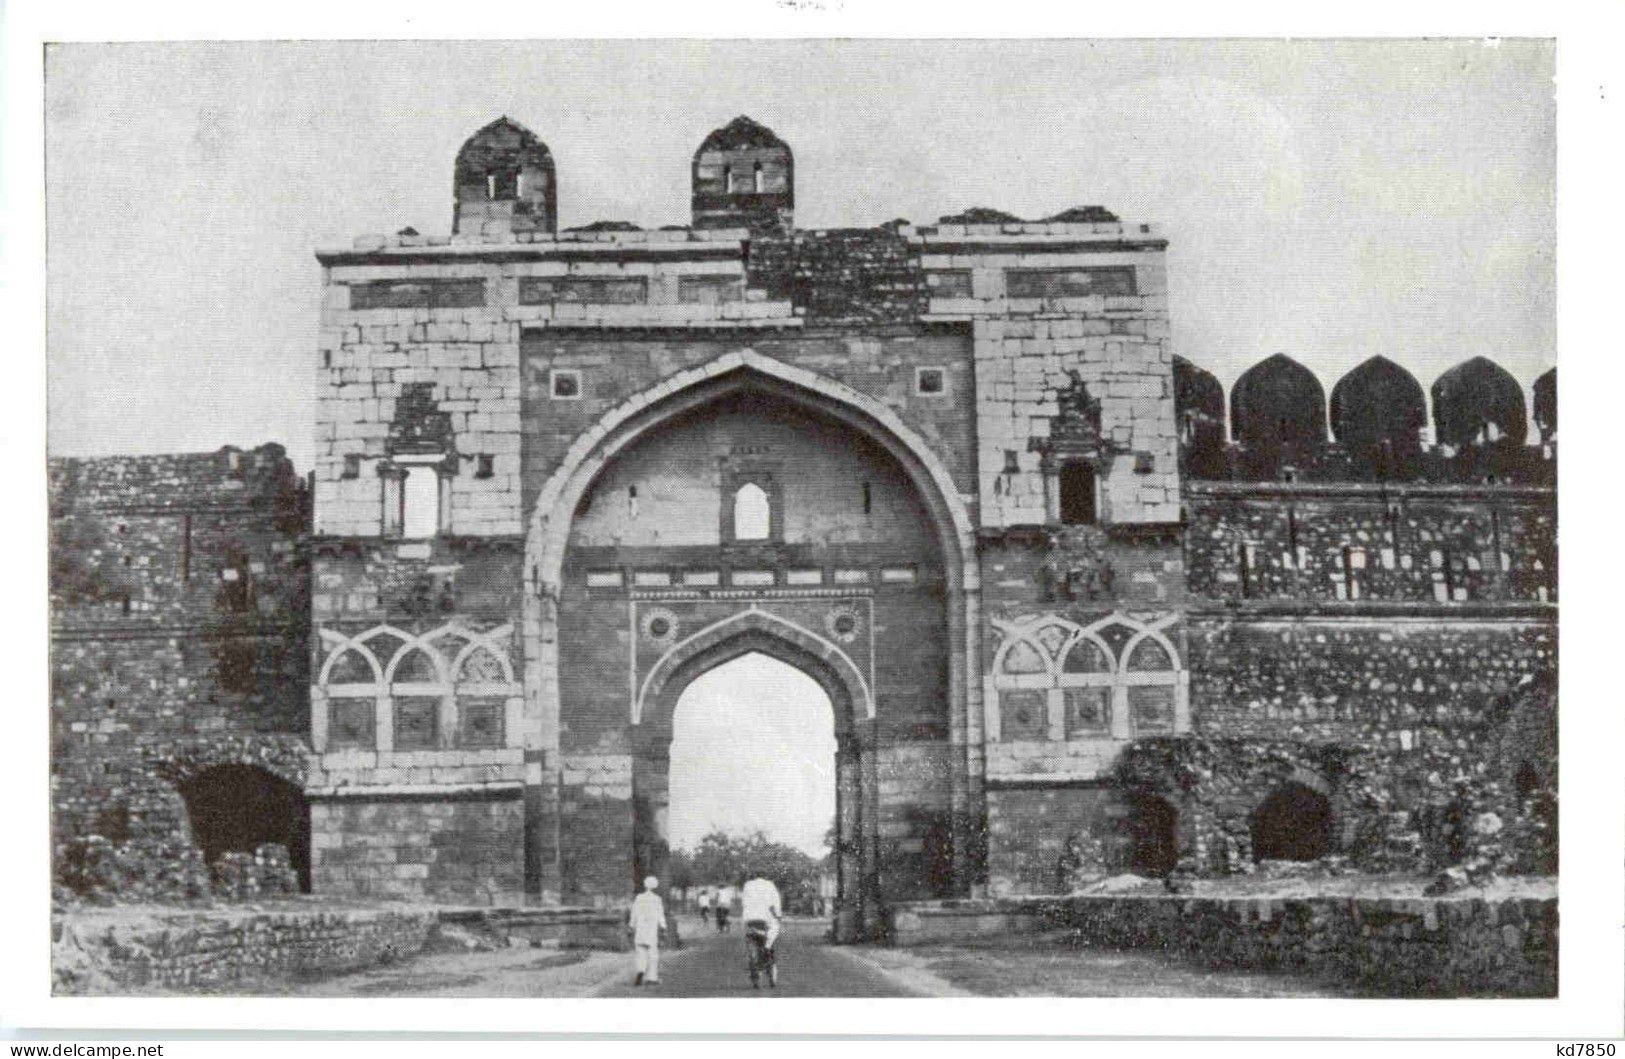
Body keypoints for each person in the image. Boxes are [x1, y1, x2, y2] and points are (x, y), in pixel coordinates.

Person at [739, 873, 782, 988]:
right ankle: (767, 950)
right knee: (772, 934)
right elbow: (776, 904)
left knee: (750, 940)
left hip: (750, 920)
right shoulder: (770, 885)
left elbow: (744, 903)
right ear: (765, 877)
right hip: (765, 920)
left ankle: (755, 974)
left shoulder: (747, 885)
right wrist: (778, 916)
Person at [627, 875, 665, 986]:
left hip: (640, 928)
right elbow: (660, 915)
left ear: (645, 885)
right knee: (653, 954)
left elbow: (634, 913)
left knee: (640, 952)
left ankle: (640, 970)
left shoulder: (639, 898)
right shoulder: (657, 899)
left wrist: (631, 925)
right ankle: (652, 978)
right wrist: (663, 926)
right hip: (651, 929)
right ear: (656, 886)